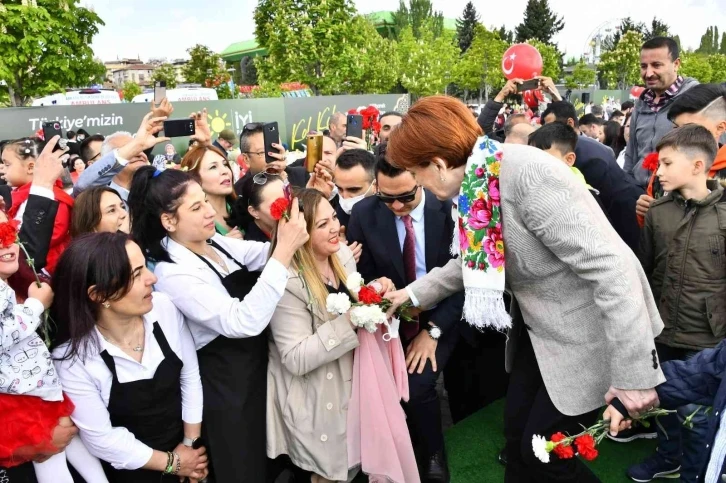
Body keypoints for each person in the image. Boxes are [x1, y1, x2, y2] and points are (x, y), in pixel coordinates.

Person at [385, 95, 664, 483]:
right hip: (542, 334)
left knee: (544, 455)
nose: (417, 184)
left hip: (592, 334)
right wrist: (411, 295)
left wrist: (635, 375)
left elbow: (612, 268)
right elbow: (475, 260)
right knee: (517, 442)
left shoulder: (527, 173)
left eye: (416, 173)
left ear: (437, 164)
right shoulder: (479, 180)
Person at [129, 167, 308, 482]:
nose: (210, 211)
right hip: (227, 390)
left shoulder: (217, 243)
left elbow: (263, 255)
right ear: (168, 221)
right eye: (196, 207)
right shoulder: (174, 274)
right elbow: (241, 320)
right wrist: (283, 251)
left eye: (206, 202)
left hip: (257, 374)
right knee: (243, 468)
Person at [346, 148, 465, 482]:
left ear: (421, 179)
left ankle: (433, 453)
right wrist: (377, 290)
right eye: (386, 197)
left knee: (419, 381)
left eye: (405, 197)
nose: (396, 206)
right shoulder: (365, 214)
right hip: (392, 317)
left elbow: (467, 278)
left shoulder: (451, 208)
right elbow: (364, 277)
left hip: (446, 311)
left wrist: (434, 331)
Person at [52, 233, 209, 482]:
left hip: (187, 450)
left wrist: (190, 446)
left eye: (145, 266)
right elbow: (103, 439)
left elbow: (189, 376)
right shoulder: (73, 360)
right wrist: (173, 464)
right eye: (136, 275)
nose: (152, 278)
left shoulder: (164, 308)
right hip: (132, 471)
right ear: (98, 295)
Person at [628, 125, 724, 483]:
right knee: (664, 403)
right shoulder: (658, 212)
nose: (658, 171)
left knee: (699, 417)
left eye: (667, 163)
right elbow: (646, 268)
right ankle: (667, 456)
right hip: (663, 329)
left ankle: (696, 473)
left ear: (698, 166)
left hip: (708, 338)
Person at [541, 101, 643, 252]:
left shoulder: (586, 157)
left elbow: (594, 207)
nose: (548, 132)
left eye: (551, 126)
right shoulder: (579, 145)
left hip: (624, 218)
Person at [636, 83, 726, 223]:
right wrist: (647, 214)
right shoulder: (663, 168)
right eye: (676, 128)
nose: (680, 136)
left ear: (720, 128)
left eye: (690, 129)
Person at [624, 37, 699, 188]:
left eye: (656, 65)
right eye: (644, 66)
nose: (649, 73)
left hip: (678, 200)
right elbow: (631, 156)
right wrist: (628, 189)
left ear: (676, 64)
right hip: (639, 196)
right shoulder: (641, 103)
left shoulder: (696, 99)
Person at [2, 138, 74, 274]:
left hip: (45, 268)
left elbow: (52, 234)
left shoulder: (55, 197)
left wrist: (15, 242)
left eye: (7, 164)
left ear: (30, 167)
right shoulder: (19, 195)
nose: (2, 169)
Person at [528, 122, 609, 215]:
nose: (536, 164)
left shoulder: (585, 199)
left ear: (569, 159)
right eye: (533, 157)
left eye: (545, 158)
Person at [180, 144, 242, 238]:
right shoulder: (193, 223)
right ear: (194, 177)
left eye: (225, 164)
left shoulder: (243, 207)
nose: (225, 171)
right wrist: (225, 247)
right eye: (213, 167)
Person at [478, 77, 560, 142]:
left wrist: (555, 94)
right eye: (521, 130)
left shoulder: (540, 147)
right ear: (506, 134)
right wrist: (501, 94)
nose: (526, 130)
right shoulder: (501, 147)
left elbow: (566, 130)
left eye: (528, 126)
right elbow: (481, 128)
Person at [333, 149, 376, 232]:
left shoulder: (391, 215)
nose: (345, 197)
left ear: (375, 185)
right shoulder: (334, 215)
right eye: (339, 189)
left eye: (353, 190)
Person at [235, 174, 286, 242]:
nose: (287, 208)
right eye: (277, 205)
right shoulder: (255, 248)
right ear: (254, 212)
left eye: (288, 198)